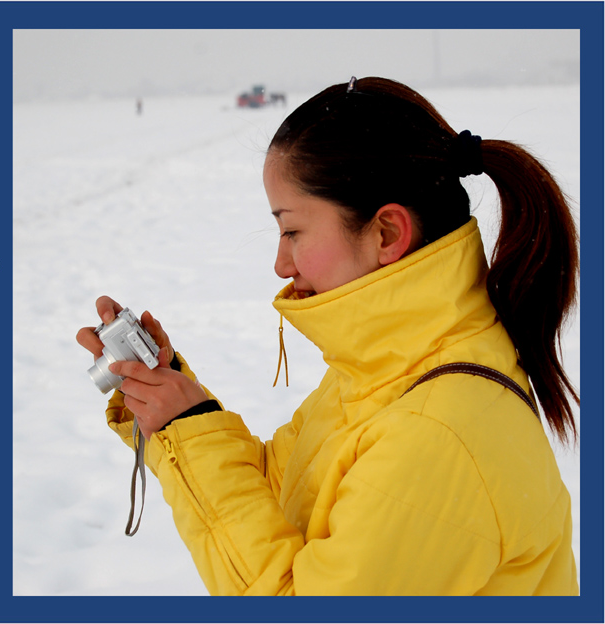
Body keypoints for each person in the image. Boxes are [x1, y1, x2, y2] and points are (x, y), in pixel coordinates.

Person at [77, 77, 579, 595]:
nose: (279, 263)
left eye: (292, 230)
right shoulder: (383, 372)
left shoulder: (437, 433)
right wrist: (180, 408)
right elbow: (286, 499)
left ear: (386, 233)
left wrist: (182, 424)